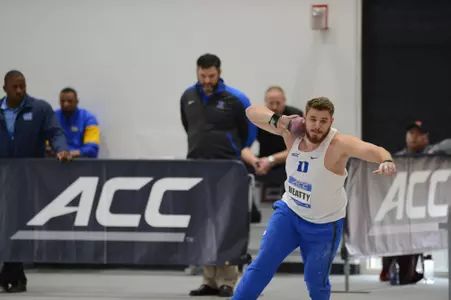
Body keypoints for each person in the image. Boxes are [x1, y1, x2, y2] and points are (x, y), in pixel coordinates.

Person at [232, 97, 396, 300]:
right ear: (305, 118)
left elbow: (375, 150)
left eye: (323, 121)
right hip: (289, 213)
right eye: (313, 119)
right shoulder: (291, 133)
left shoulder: (339, 144)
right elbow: (251, 112)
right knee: (261, 266)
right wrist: (281, 120)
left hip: (324, 224)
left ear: (331, 121)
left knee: (315, 281)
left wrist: (386, 160)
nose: (317, 126)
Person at [180, 53, 257, 297]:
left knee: (227, 226)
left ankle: (228, 280)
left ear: (219, 73)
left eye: (211, 76)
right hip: (198, 168)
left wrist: (231, 150)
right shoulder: (188, 96)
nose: (206, 80)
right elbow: (188, 126)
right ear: (197, 73)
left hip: (228, 170)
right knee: (203, 225)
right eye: (202, 75)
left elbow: (250, 133)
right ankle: (209, 280)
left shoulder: (236, 99)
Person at [0, 70, 71, 293]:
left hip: (27, 178)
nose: (20, 90)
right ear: (5, 89)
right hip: (2, 177)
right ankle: (14, 276)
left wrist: (61, 150)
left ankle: (11, 274)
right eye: (15, 87)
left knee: (17, 224)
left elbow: (55, 132)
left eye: (23, 86)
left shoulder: (40, 109)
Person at [47, 87, 100, 158]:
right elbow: (45, 143)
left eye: (70, 101)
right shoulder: (52, 117)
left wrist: (72, 154)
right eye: (62, 101)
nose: (65, 104)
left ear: (77, 101)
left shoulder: (89, 119)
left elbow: (92, 148)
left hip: (80, 161)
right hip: (56, 160)